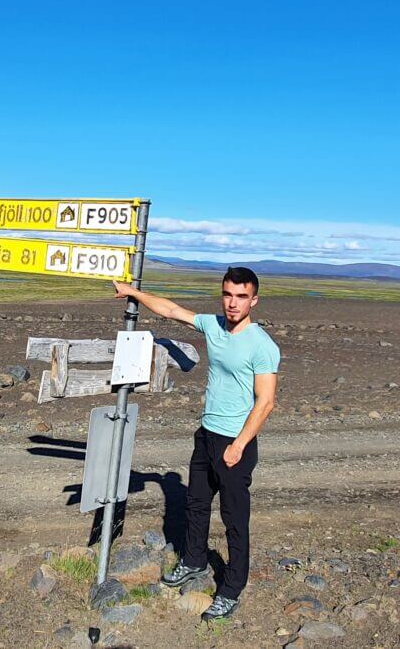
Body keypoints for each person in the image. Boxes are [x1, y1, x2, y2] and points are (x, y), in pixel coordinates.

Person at [111, 266, 280, 621]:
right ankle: (193, 561)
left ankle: (231, 589)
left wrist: (238, 445)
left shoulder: (263, 345)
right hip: (206, 436)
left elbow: (265, 402)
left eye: (241, 297)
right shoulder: (214, 325)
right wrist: (134, 293)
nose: (233, 304)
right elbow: (172, 311)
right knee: (196, 504)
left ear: (254, 300)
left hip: (236, 442)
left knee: (235, 519)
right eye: (228, 295)